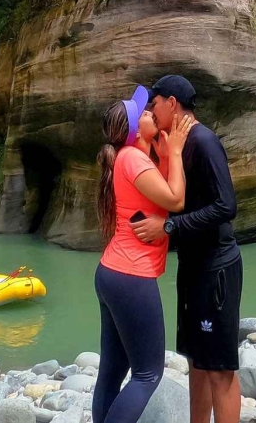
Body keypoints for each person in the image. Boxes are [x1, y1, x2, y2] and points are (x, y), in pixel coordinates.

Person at [136, 75, 242, 423]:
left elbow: (226, 206)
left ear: (172, 103)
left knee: (219, 368)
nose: (152, 111)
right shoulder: (179, 145)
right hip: (193, 266)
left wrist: (170, 227)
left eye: (154, 104)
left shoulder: (204, 141)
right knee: (196, 360)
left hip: (217, 267)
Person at [93, 86, 192, 423]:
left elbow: (159, 196)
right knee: (148, 375)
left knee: (112, 371)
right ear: (137, 130)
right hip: (131, 276)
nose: (151, 112)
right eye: (146, 113)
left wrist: (163, 156)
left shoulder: (132, 157)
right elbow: (176, 200)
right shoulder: (133, 159)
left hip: (112, 272)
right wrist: (175, 151)